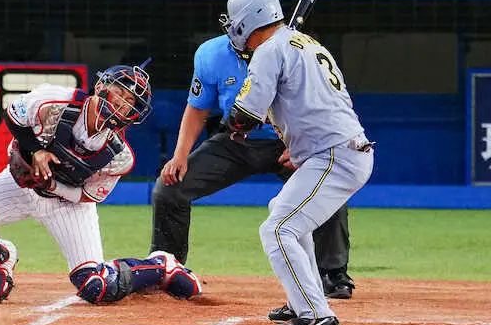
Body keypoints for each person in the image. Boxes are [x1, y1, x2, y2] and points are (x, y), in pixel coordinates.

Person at [0, 65, 203, 305]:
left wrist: (53, 187)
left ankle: (160, 266)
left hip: (67, 205)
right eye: (120, 92)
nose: (123, 102)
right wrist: (36, 152)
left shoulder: (119, 156)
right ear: (102, 86)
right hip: (23, 186)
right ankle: (1, 258)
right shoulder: (55, 100)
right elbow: (14, 114)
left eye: (130, 102)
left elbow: (87, 195)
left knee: (96, 286)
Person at [150, 33, 356, 305]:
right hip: (235, 141)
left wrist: (302, 145)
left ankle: (332, 273)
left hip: (288, 141)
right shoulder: (211, 54)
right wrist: (180, 156)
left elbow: (319, 104)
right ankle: (166, 268)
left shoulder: (294, 50)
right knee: (169, 188)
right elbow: (197, 109)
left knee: (324, 190)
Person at [220, 0, 374, 325]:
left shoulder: (270, 50)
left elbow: (245, 114)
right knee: (283, 214)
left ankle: (315, 315)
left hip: (335, 154)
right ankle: (302, 295)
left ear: (246, 21)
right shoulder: (307, 44)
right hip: (339, 149)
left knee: (278, 229)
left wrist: (233, 126)